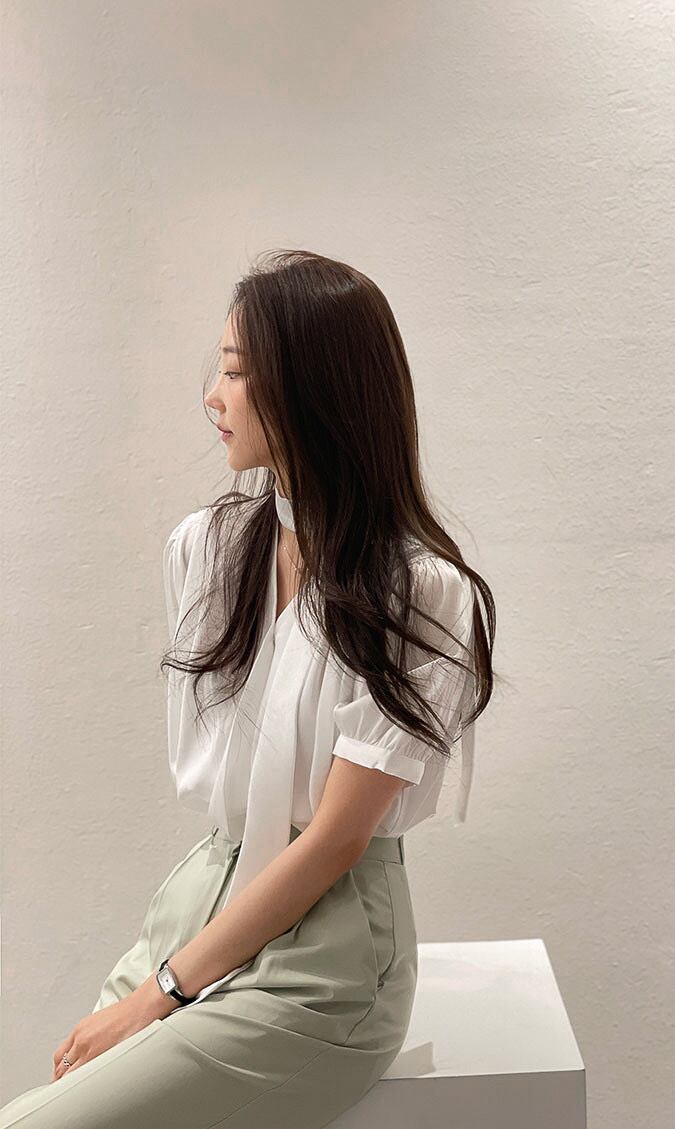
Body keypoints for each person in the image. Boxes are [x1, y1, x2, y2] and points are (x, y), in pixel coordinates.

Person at [0, 248, 495, 1127]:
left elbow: (335, 841)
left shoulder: (419, 592)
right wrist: (166, 972)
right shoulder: (211, 549)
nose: (211, 397)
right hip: (205, 902)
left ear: (310, 390)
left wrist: (158, 993)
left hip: (331, 954)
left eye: (234, 371)